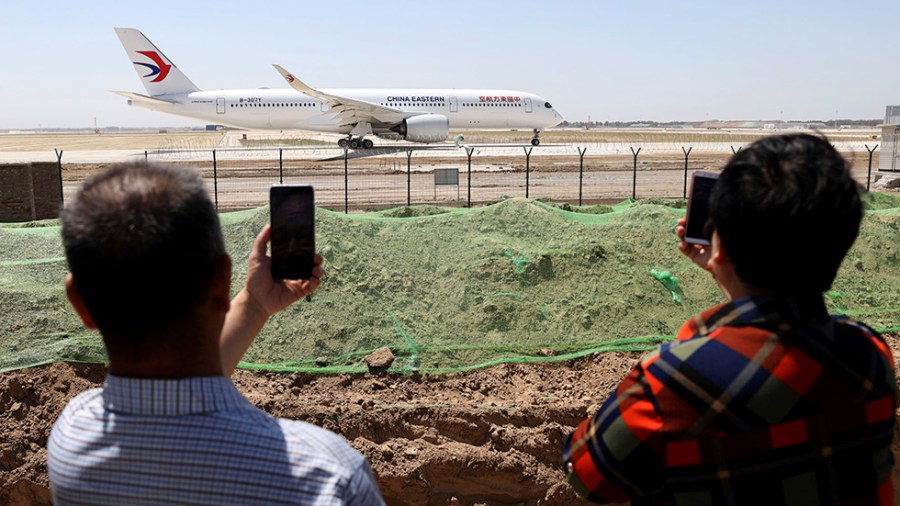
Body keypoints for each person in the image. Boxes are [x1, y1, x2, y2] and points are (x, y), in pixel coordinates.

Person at [563, 134, 897, 504]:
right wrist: (727, 272)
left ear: (721, 247)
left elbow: (589, 479)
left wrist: (727, 269)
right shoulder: (869, 355)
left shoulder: (670, 382)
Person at [48, 162, 384, 505]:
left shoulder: (71, 437)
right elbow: (188, 386)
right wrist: (251, 301)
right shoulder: (330, 477)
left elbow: (175, 391)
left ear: (80, 303)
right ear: (223, 281)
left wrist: (254, 304)